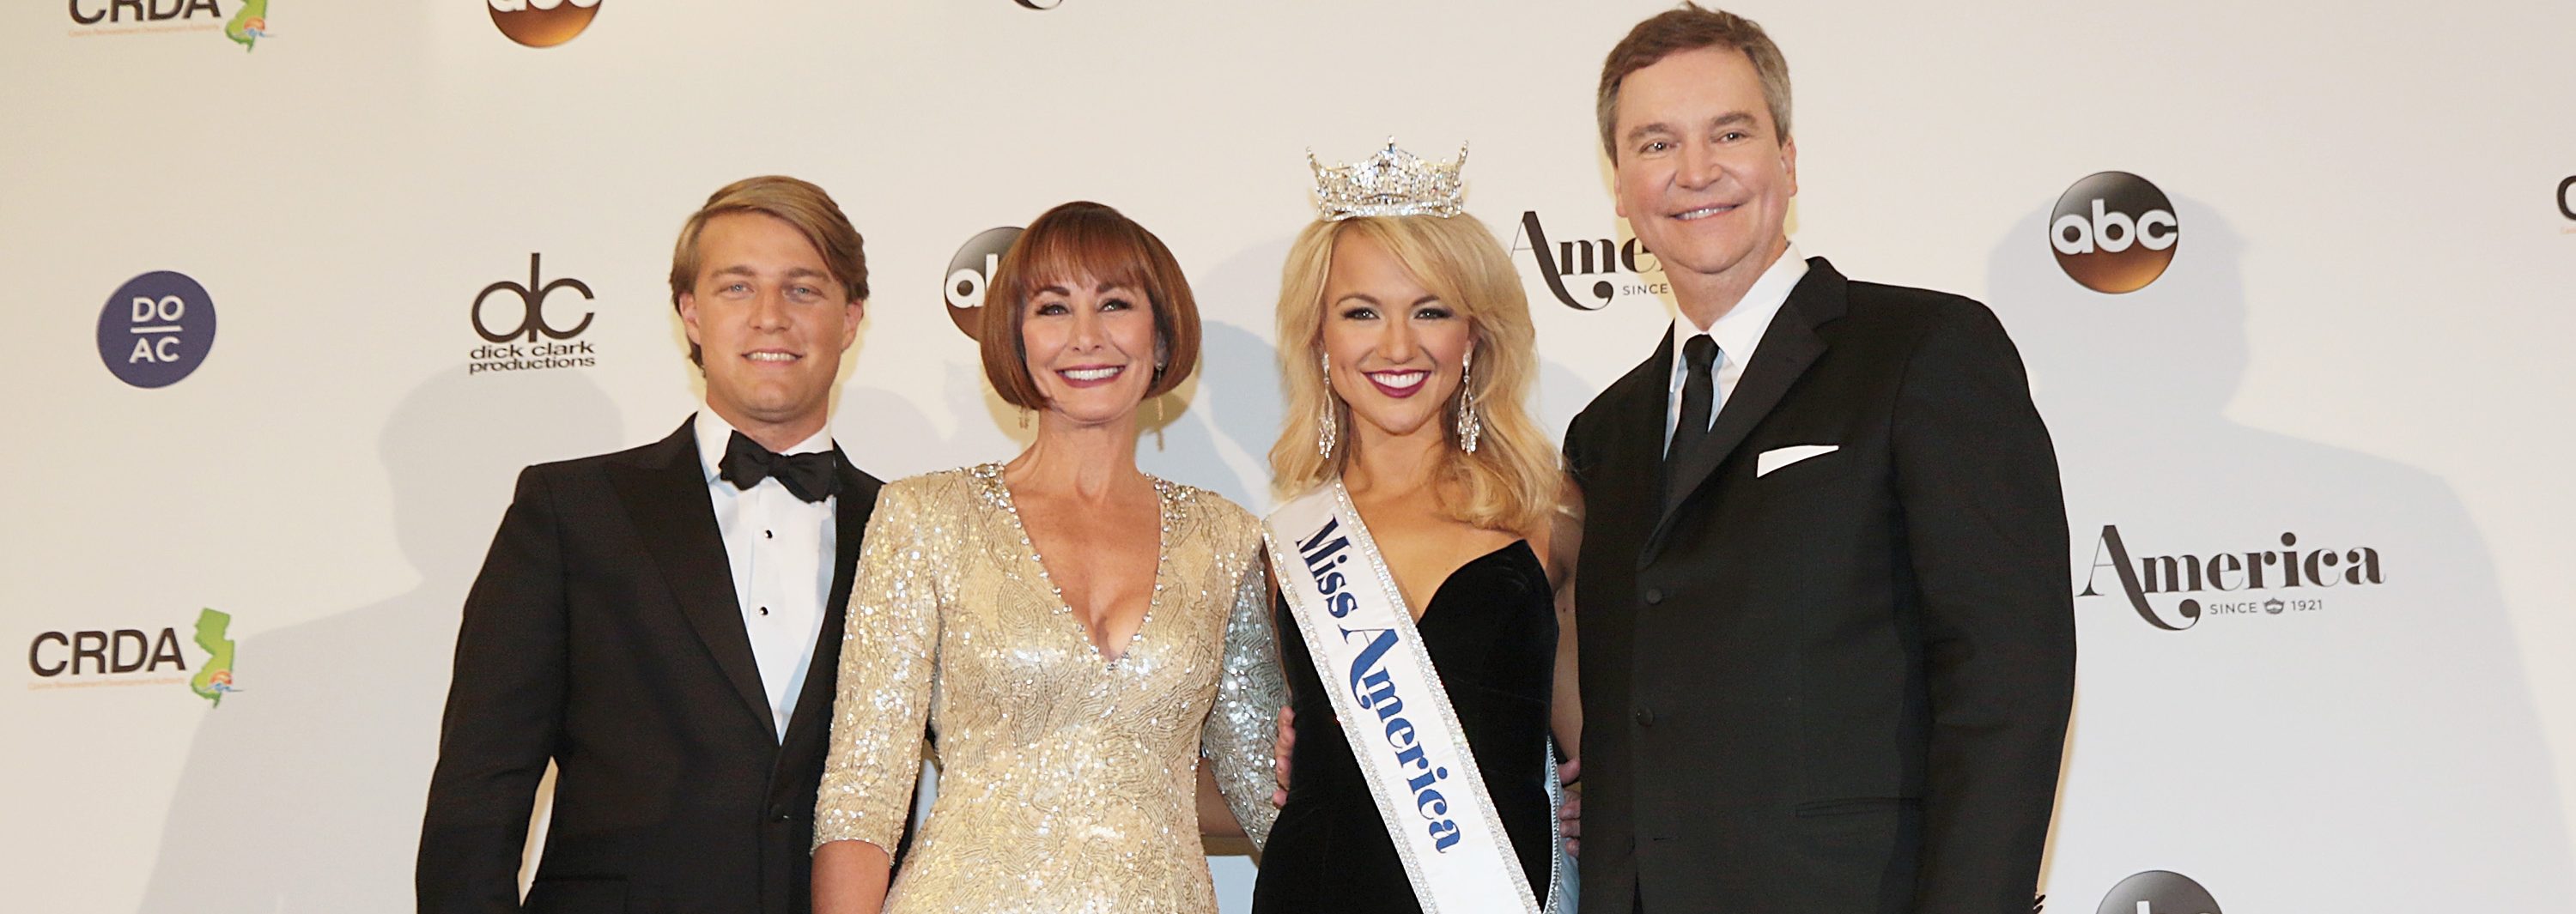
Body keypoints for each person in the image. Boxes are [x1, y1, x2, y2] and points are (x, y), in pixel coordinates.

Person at [1560, 7, 2078, 913]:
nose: (1695, 172)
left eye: (1730, 132)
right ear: (1619, 187)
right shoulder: (1606, 434)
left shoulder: (1922, 352)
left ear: (1788, 159)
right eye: (1655, 143)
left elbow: (2008, 676)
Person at [418, 175, 885, 913]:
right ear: (690, 313)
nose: (771, 318)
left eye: (804, 289)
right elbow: (481, 790)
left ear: (851, 316)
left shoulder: (911, 530)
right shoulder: (571, 512)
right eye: (737, 288)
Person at [810, 201, 1283, 914]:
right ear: (1016, 339)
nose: (1086, 338)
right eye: (1054, 308)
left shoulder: (1226, 538)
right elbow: (863, 787)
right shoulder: (925, 516)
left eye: (1115, 303)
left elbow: (1262, 786)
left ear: (1160, 338)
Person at [1250, 142, 1581, 914]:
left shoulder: (1547, 517)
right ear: (1319, 339)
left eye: (1430, 310)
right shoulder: (1286, 544)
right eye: (1362, 312)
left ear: (1473, 335)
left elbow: (1604, 746)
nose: (1397, 347)